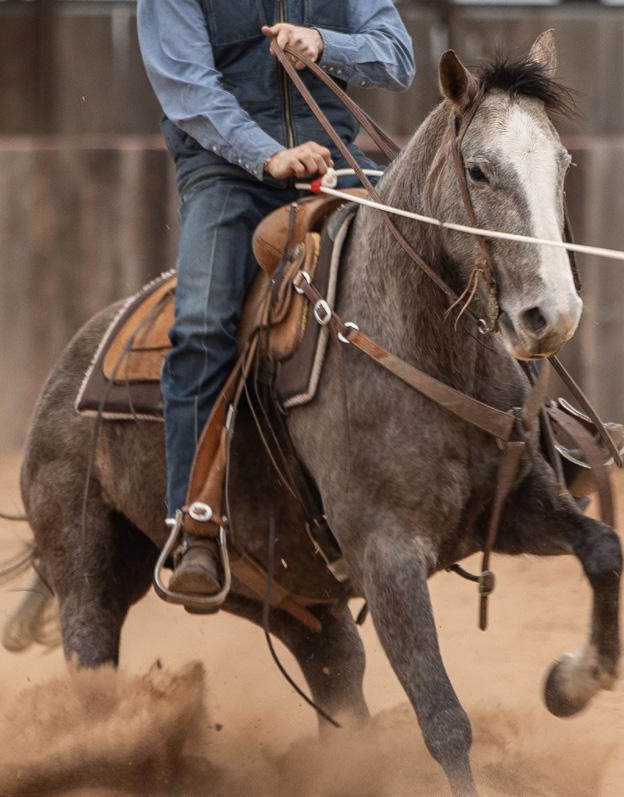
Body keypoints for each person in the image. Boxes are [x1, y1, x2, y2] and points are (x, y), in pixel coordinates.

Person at [136, 1, 415, 602]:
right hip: (225, 173)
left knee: (436, 250)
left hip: (333, 162)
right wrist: (268, 153)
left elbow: (398, 58)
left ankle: (534, 438)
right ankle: (194, 522)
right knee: (203, 325)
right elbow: (188, 89)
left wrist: (325, 43)